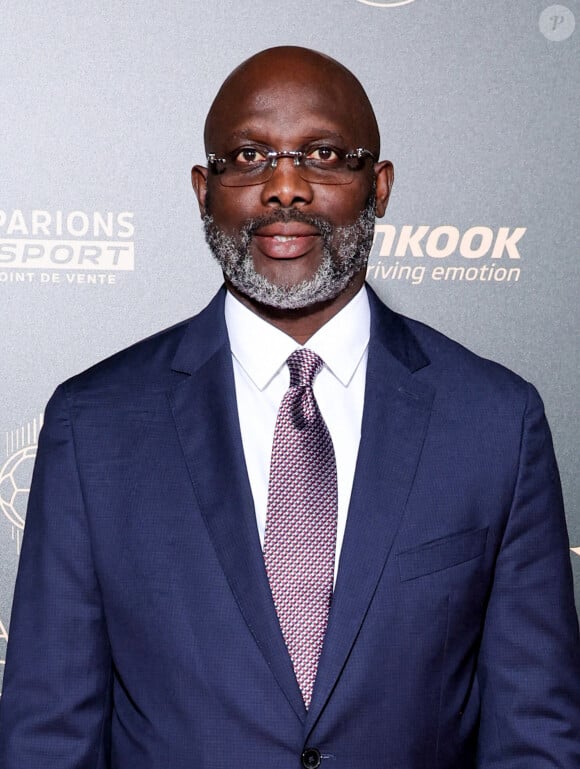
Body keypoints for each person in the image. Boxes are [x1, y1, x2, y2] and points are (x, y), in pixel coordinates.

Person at [0, 46, 579, 769]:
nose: (285, 187)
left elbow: (535, 735)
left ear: (381, 185)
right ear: (203, 190)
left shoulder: (495, 421)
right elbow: (48, 737)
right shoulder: (94, 425)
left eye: (325, 154)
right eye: (248, 156)